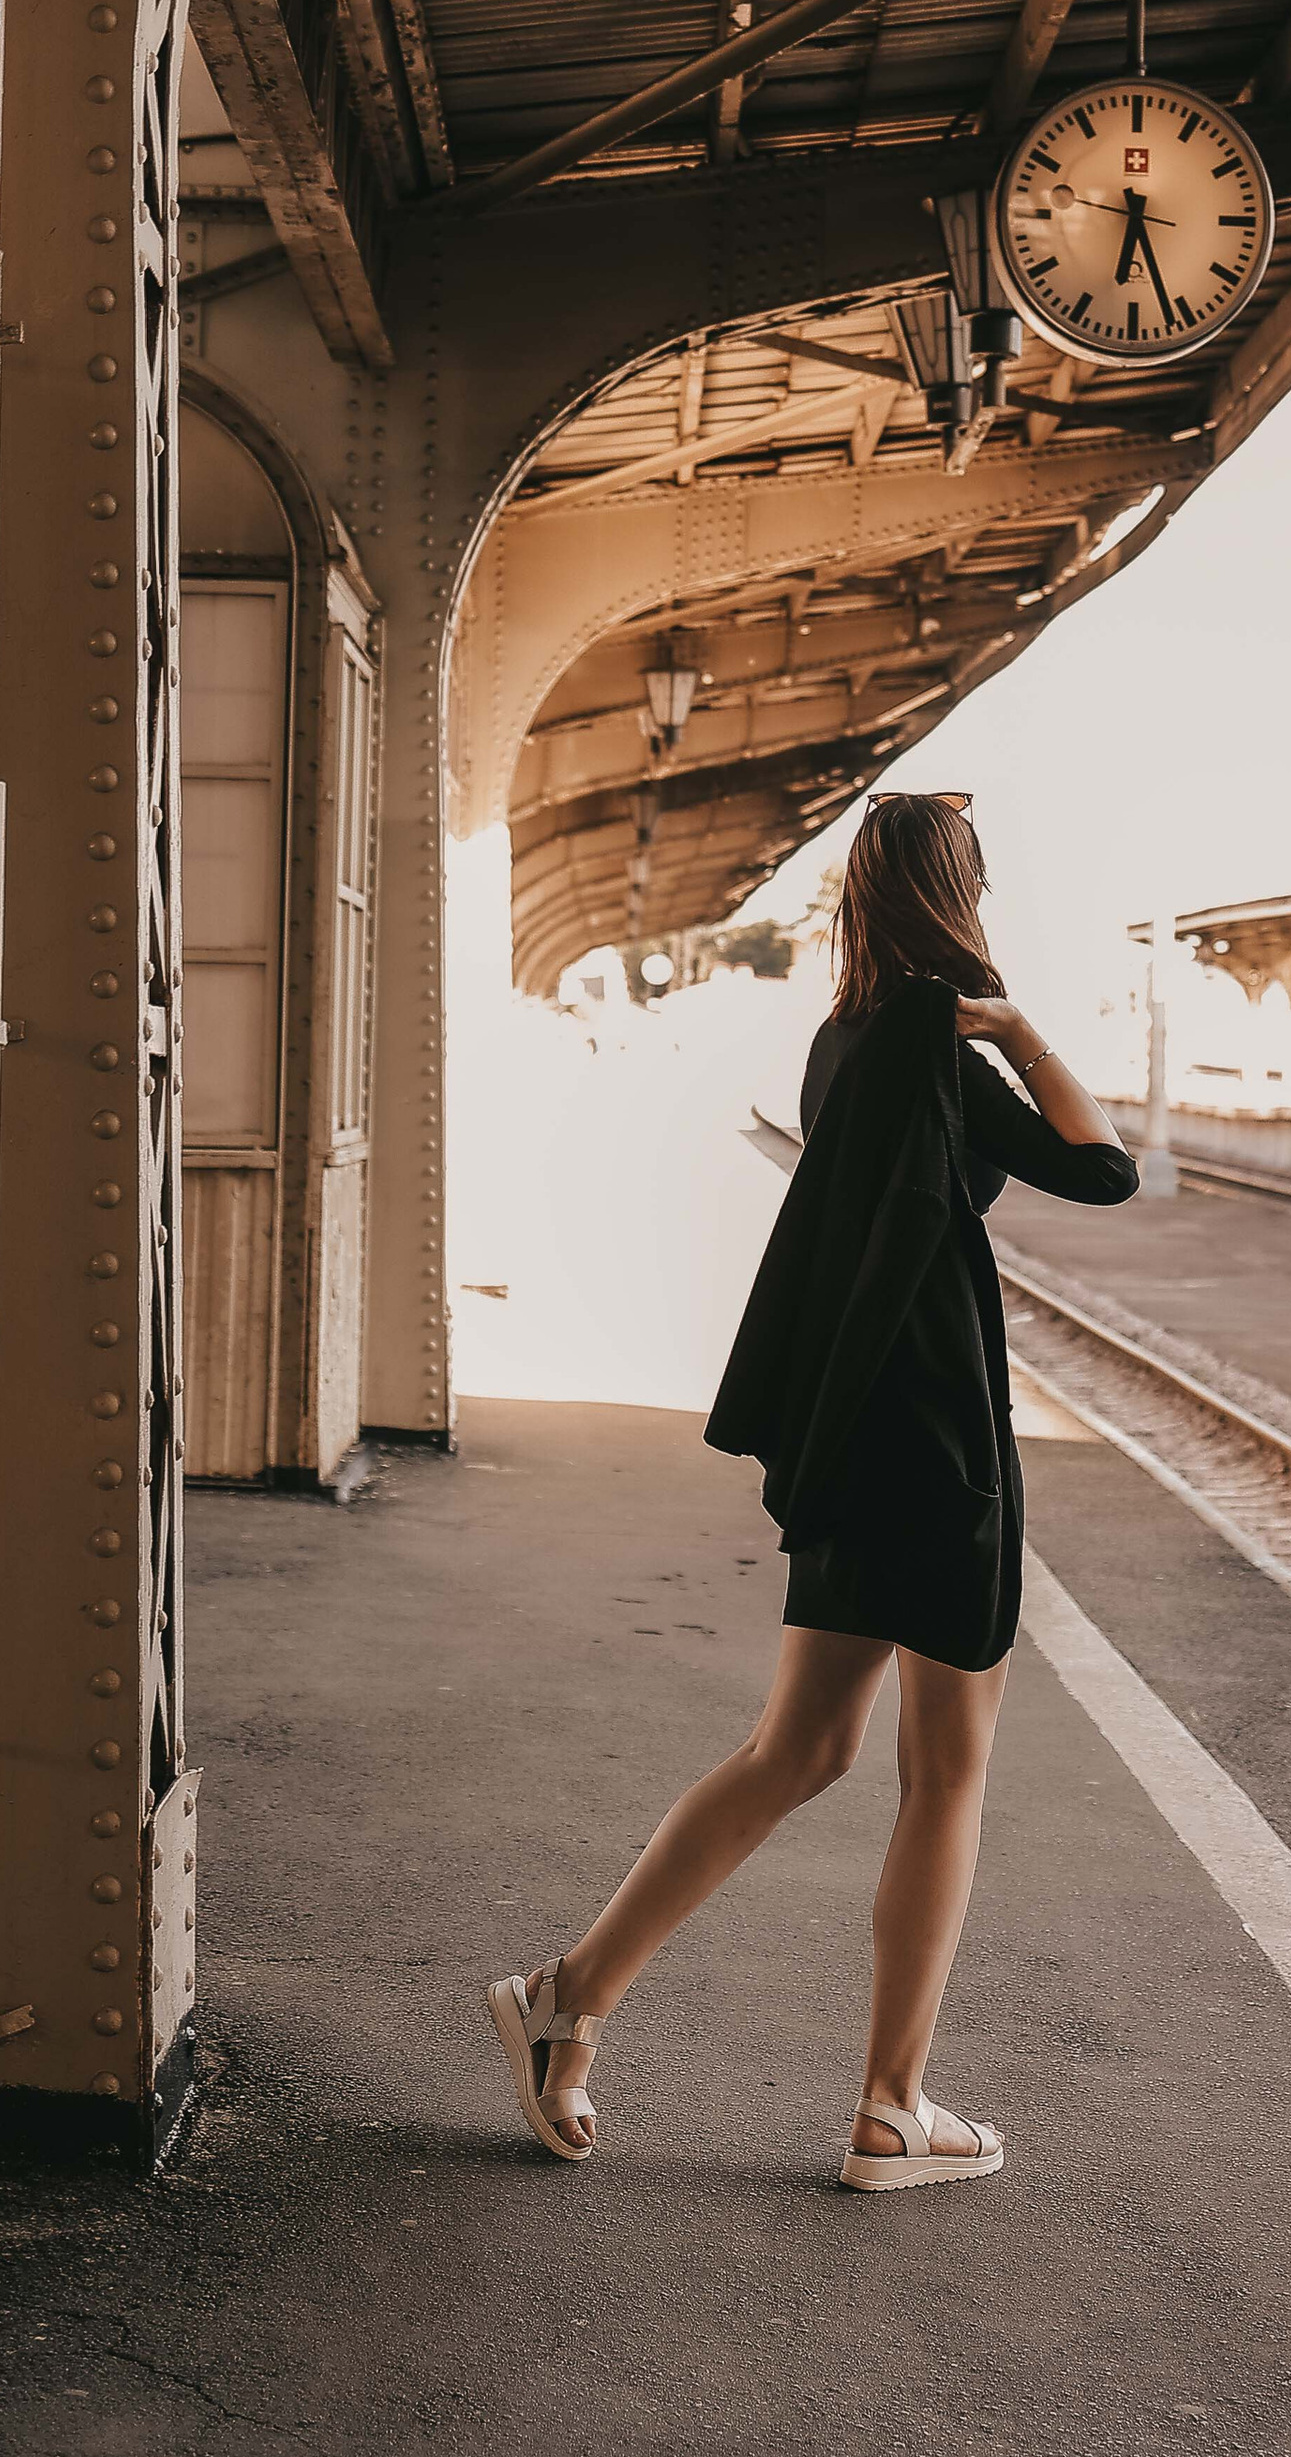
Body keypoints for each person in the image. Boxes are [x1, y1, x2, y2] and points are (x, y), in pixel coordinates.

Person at [487, 788, 1138, 2190]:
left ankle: (568, 1999)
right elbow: (1102, 1169)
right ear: (961, 896)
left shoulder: (843, 1045)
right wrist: (1019, 1029)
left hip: (851, 1449)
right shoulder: (945, 1052)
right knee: (943, 1773)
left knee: (802, 1751)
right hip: (944, 1450)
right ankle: (890, 2109)